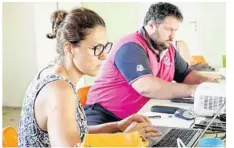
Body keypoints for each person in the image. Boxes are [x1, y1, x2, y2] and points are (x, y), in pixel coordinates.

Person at [18, 7, 160, 147]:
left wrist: (117, 127)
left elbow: (74, 135)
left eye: (105, 47)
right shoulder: (60, 90)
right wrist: (127, 139)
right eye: (96, 48)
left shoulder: (49, 74)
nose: (104, 56)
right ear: (69, 49)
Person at [84, 2, 217, 125]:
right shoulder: (131, 46)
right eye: (168, 29)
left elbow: (188, 75)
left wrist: (212, 86)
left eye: (175, 30)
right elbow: (146, 87)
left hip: (137, 117)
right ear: (151, 25)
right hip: (105, 116)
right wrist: (192, 90)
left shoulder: (168, 49)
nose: (172, 36)